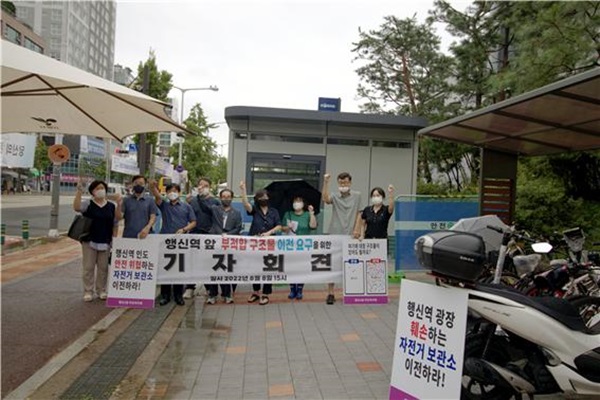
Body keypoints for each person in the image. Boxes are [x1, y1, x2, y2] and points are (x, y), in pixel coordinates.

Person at [150, 180, 196, 306]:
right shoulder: (164, 205)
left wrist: (184, 229)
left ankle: (178, 295)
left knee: (179, 268)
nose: (172, 193)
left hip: (181, 241)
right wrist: (153, 187)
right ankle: (165, 296)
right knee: (166, 267)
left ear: (179, 193)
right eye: (169, 191)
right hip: (165, 241)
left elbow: (193, 222)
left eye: (174, 191)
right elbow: (157, 196)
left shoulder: (187, 207)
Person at [73, 179, 118, 302]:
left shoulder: (111, 206)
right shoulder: (88, 204)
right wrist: (79, 191)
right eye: (97, 188)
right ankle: (88, 291)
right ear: (92, 191)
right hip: (89, 240)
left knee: (103, 267)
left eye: (102, 188)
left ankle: (101, 290)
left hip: (105, 240)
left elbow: (115, 223)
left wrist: (114, 239)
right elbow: (77, 207)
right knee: (88, 267)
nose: (100, 190)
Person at [322, 172, 362, 304]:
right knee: (333, 263)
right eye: (341, 182)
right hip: (335, 233)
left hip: (351, 234)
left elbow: (360, 213)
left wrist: (357, 229)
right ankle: (330, 293)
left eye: (345, 182)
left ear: (350, 182)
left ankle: (351, 291)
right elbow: (325, 199)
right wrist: (326, 182)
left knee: (353, 263)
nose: (343, 184)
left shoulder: (357, 195)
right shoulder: (334, 196)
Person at [240, 180, 281, 305]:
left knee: (268, 267)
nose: (263, 199)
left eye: (265, 197)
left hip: (269, 243)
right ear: (257, 199)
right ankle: (256, 292)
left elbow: (279, 226)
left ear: (269, 198)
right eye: (260, 197)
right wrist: (243, 190)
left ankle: (266, 293)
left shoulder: (274, 211)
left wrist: (269, 233)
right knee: (255, 267)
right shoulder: (255, 210)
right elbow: (246, 204)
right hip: (255, 243)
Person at [205, 188, 243, 304]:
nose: (226, 199)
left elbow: (238, 227)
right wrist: (203, 194)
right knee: (213, 268)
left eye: (228, 197)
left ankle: (226, 294)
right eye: (224, 197)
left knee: (226, 269)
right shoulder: (215, 209)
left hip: (228, 244)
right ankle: (212, 295)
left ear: (232, 198)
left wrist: (228, 234)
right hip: (215, 242)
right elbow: (203, 205)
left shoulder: (236, 213)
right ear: (220, 198)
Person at [185, 177, 221, 299]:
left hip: (209, 235)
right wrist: (188, 202)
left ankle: (209, 288)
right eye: (200, 185)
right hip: (194, 233)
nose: (202, 187)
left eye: (205, 186)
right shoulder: (192, 200)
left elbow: (214, 214)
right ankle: (190, 287)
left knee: (208, 262)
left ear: (210, 188)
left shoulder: (215, 201)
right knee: (192, 261)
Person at [281, 196, 317, 300]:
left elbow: (313, 226)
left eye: (299, 201)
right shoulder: (288, 214)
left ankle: (300, 289)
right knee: (291, 267)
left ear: (303, 203)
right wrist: (287, 227)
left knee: (302, 268)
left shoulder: (307, 214)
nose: (297, 203)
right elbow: (282, 228)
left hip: (304, 247)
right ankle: (292, 289)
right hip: (290, 246)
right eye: (295, 201)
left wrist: (311, 213)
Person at [115, 175, 157, 239]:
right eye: (136, 183)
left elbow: (153, 217)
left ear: (145, 185)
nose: (138, 185)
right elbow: (119, 217)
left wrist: (147, 228)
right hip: (129, 236)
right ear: (132, 184)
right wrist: (118, 205)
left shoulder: (150, 200)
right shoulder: (126, 200)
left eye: (141, 183)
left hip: (146, 236)